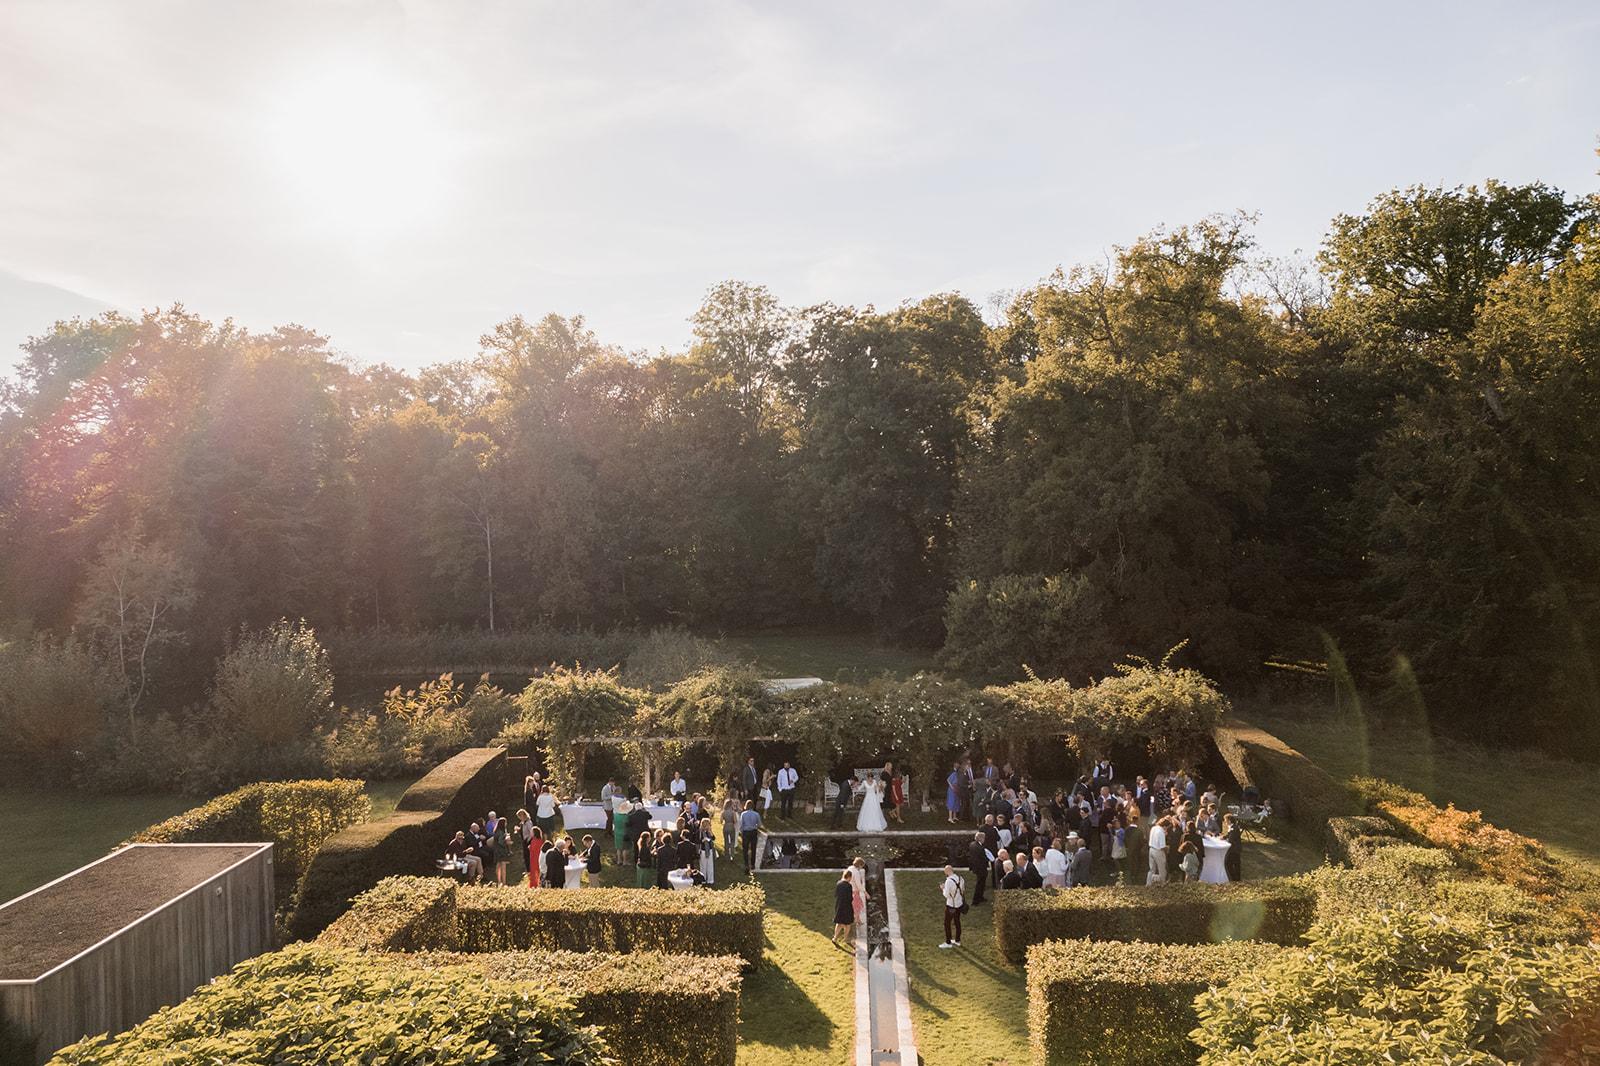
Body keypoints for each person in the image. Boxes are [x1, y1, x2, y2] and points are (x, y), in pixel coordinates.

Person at [939, 865, 965, 948]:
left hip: (951, 905)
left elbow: (946, 895)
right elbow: (963, 890)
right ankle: (957, 940)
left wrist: (943, 888)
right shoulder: (960, 878)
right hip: (959, 903)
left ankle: (948, 942)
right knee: (957, 922)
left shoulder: (948, 881)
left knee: (947, 923)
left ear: (947, 872)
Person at [832, 869, 856, 948]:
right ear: (849, 877)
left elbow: (836, 894)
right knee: (847, 924)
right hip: (847, 907)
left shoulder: (838, 883)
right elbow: (850, 898)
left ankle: (835, 938)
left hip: (839, 905)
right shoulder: (848, 886)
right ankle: (845, 938)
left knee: (839, 923)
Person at [967, 832, 990, 905]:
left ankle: (980, 897)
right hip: (981, 868)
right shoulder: (980, 848)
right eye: (984, 838)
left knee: (981, 883)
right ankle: (975, 900)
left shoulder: (972, 844)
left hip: (976, 867)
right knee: (980, 884)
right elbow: (984, 858)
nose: (984, 839)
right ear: (980, 839)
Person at [739, 801, 762, 867]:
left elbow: (741, 825)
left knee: (745, 849)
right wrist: (756, 826)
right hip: (753, 832)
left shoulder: (743, 814)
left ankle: (746, 865)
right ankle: (752, 864)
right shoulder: (756, 814)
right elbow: (759, 824)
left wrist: (741, 832)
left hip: (746, 832)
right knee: (753, 849)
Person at [1147, 817, 1169, 885]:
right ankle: (1162, 883)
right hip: (1158, 851)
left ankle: (1148, 884)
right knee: (1162, 869)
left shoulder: (1154, 828)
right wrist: (1167, 848)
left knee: (1152, 869)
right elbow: (1162, 846)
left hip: (1151, 849)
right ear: (1164, 826)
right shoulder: (1161, 832)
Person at [491, 818, 512, 885]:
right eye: (505, 823)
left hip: (497, 851)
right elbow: (501, 842)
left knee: (498, 866)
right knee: (503, 867)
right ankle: (504, 882)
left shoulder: (497, 831)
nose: (506, 824)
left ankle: (499, 881)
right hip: (501, 851)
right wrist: (507, 841)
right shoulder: (501, 832)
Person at [1223, 813, 1243, 882]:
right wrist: (1224, 837)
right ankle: (1236, 878)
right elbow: (1229, 835)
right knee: (1235, 864)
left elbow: (1231, 839)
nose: (1225, 822)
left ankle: (1235, 878)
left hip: (1235, 849)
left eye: (1225, 820)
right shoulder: (1232, 827)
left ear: (1229, 820)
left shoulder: (1234, 828)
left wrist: (1225, 840)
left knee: (1230, 863)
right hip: (1234, 848)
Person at [849, 856, 869, 923]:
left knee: (854, 905)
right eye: (862, 866)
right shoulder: (856, 873)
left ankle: (858, 919)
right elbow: (859, 885)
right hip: (855, 891)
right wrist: (865, 893)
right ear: (859, 865)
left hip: (849, 889)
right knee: (857, 906)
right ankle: (857, 920)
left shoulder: (850, 868)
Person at [699, 816, 717, 884]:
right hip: (703, 850)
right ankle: (703, 879)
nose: (709, 825)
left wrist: (711, 832)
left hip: (710, 850)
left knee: (710, 866)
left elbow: (714, 838)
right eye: (708, 824)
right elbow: (698, 841)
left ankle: (710, 880)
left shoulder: (709, 831)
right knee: (703, 866)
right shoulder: (700, 831)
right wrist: (703, 840)